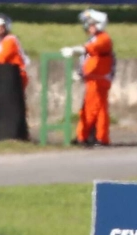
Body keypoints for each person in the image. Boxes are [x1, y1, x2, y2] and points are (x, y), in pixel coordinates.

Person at [64, 9, 115, 146]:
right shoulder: (94, 39)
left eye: (91, 24)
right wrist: (80, 73)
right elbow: (87, 59)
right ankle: (96, 137)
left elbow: (90, 49)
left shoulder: (104, 39)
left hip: (99, 80)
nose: (88, 27)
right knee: (95, 109)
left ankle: (88, 137)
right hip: (93, 79)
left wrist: (74, 50)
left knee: (92, 110)